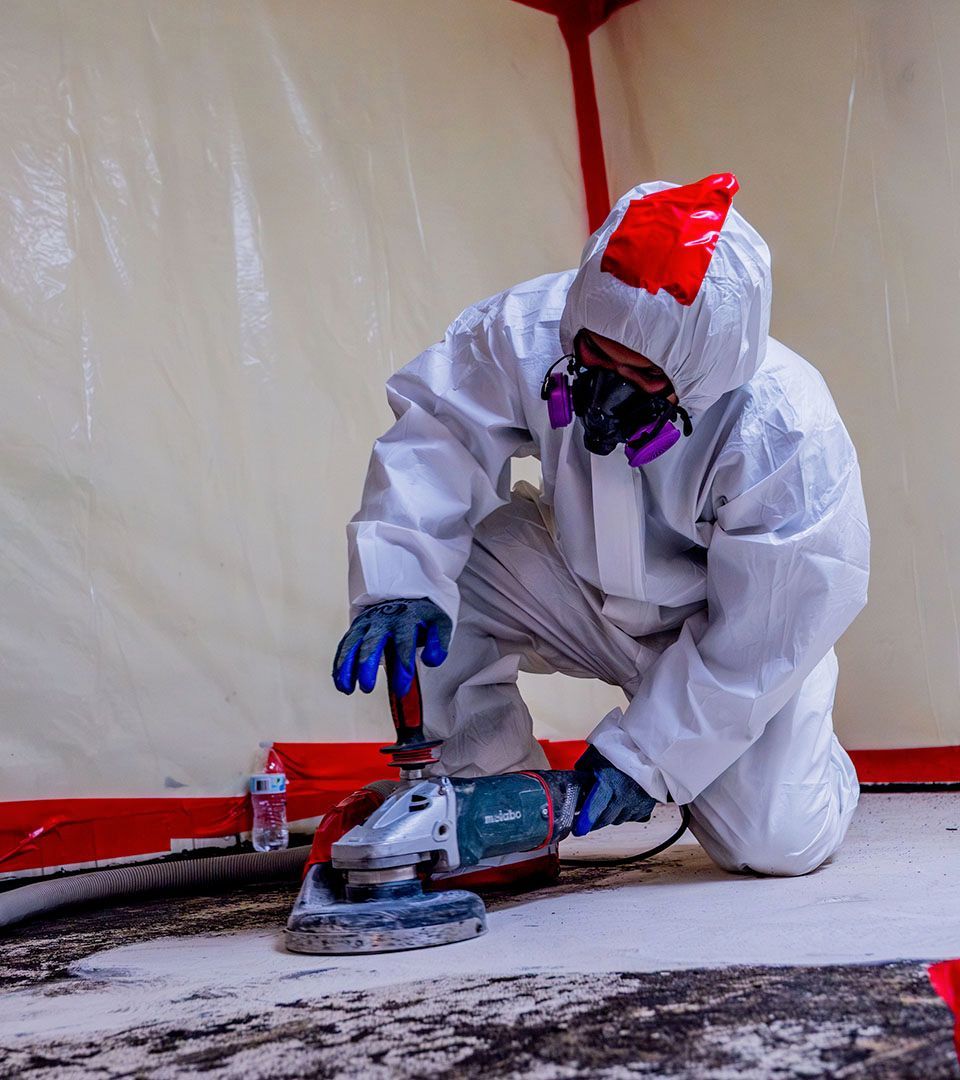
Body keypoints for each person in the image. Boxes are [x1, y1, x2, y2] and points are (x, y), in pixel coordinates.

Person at [333, 173, 870, 876]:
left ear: (702, 377)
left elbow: (765, 629)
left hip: (727, 634)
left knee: (774, 841)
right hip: (575, 594)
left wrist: (641, 760)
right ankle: (487, 796)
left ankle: (804, 745)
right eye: (595, 358)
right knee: (435, 581)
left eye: (641, 377)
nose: (606, 393)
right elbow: (438, 439)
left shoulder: (784, 433)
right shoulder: (525, 332)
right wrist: (398, 580)